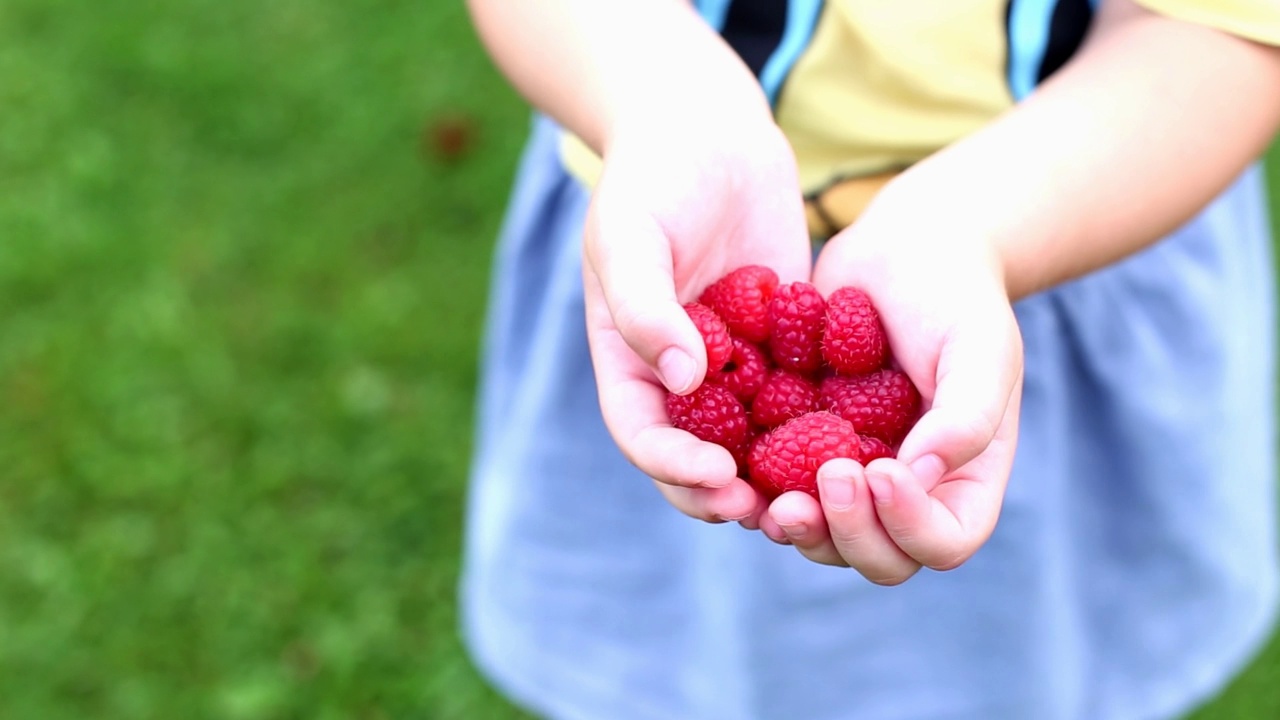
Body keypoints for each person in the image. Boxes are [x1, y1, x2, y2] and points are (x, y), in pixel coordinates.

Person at [459, 0, 1280, 717]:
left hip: (1064, 216)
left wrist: (968, 228)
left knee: (1012, 665)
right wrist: (663, 108)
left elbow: (1231, 30)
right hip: (669, 245)